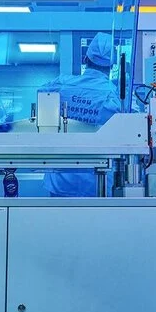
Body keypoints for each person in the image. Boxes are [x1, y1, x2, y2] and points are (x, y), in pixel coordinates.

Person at [38, 32, 122, 197]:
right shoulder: (116, 95)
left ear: (85, 59)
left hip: (61, 179)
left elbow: (41, 95)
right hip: (98, 181)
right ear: (112, 66)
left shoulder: (62, 84)